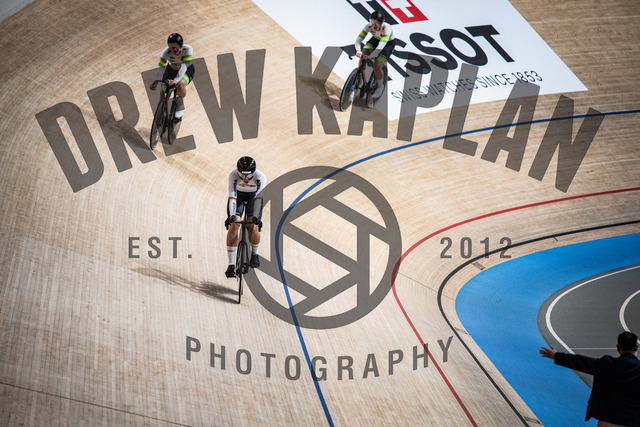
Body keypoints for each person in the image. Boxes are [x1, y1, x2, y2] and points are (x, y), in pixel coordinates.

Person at [539, 331, 640, 426]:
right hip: (633, 420)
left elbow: (582, 362)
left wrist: (556, 355)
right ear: (636, 347)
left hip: (608, 418)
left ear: (618, 347)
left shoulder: (606, 364)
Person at [224, 156, 266, 278]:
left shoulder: (260, 177)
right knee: (234, 225)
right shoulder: (233, 175)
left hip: (254, 197)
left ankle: (255, 254)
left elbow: (258, 198)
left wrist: (256, 218)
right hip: (239, 196)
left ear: (253, 172)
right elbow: (232, 196)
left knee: (253, 225)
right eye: (242, 175)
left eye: (248, 175)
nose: (245, 178)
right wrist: (232, 216)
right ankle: (231, 265)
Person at [150, 33, 195, 120]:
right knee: (163, 94)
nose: (173, 49)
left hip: (187, 70)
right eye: (170, 47)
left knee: (180, 84)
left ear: (180, 45)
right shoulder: (165, 52)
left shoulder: (188, 49)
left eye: (175, 47)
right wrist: (156, 80)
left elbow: (183, 67)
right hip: (171, 70)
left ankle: (181, 104)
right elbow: (161, 67)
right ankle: (161, 115)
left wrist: (176, 80)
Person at [354, 10, 395, 96]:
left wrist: (371, 56)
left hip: (388, 44)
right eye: (372, 23)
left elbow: (381, 45)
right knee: (364, 53)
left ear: (381, 23)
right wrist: (358, 50)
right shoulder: (368, 26)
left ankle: (380, 86)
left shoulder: (387, 28)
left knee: (377, 65)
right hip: (376, 39)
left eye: (376, 24)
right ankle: (360, 76)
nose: (374, 26)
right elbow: (358, 40)